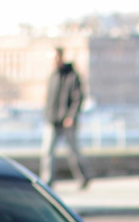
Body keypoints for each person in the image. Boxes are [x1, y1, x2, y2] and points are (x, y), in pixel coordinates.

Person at [41, 47, 89, 189]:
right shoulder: (52, 76)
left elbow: (78, 97)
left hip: (68, 121)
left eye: (56, 57)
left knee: (73, 153)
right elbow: (49, 98)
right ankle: (47, 180)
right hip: (52, 119)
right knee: (47, 152)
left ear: (61, 57)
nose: (54, 61)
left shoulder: (72, 75)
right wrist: (47, 114)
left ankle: (83, 177)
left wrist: (71, 116)